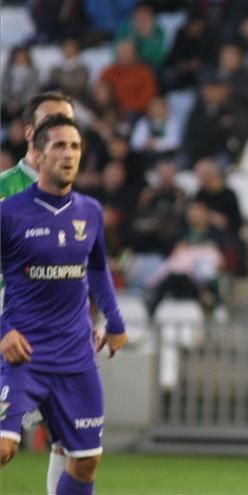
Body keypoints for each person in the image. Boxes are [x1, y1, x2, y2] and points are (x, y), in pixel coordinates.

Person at [0, 115, 128, 495]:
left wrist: (116, 322)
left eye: (74, 146)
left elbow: (98, 268)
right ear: (37, 155)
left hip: (76, 356)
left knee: (86, 459)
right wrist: (3, 331)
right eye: (59, 146)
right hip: (23, 355)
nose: (69, 154)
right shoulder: (9, 213)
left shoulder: (90, 211)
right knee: (3, 448)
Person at [0, 91, 75, 495]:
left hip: (60, 333)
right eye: (52, 125)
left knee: (72, 439)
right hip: (12, 328)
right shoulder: (5, 192)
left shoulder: (75, 199)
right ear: (31, 133)